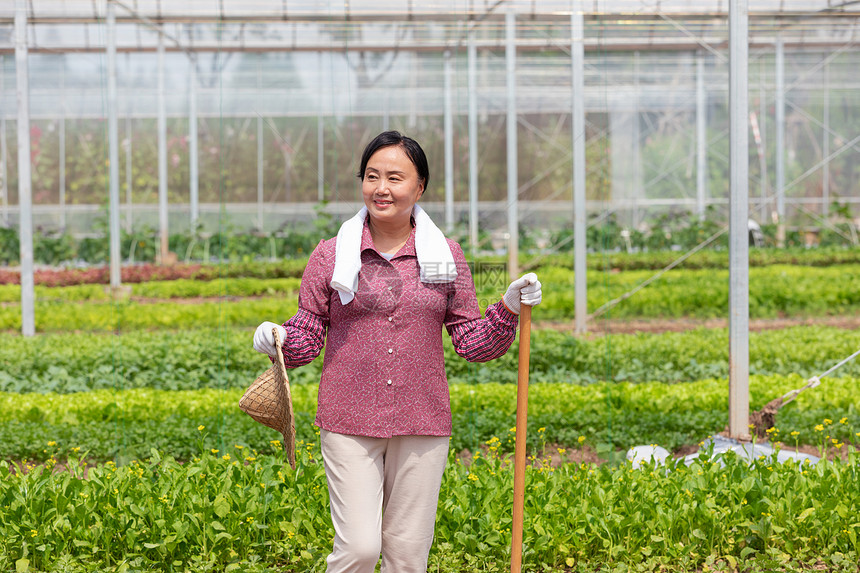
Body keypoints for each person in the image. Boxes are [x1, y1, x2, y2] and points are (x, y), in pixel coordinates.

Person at [252, 130, 541, 572]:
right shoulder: (332, 256)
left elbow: (472, 343)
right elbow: (309, 333)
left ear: (419, 186)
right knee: (360, 549)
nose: (380, 188)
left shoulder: (445, 256)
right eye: (371, 176)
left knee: (407, 556)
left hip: (422, 420)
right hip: (349, 419)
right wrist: (279, 340)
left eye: (394, 177)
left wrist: (507, 308)